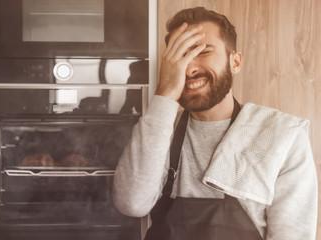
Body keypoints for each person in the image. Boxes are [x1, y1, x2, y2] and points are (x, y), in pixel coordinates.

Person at [112, 6, 318, 240]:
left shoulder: (282, 136)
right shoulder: (159, 129)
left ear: (235, 62)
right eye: (180, 55)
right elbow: (131, 204)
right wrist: (165, 93)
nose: (189, 67)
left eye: (203, 51)